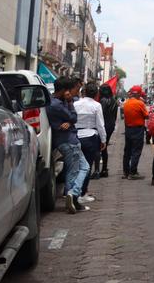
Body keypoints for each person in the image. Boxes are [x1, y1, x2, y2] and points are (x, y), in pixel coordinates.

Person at [46, 76, 90, 214]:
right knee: (74, 170)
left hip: (68, 140)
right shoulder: (57, 105)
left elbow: (71, 120)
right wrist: (70, 102)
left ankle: (73, 196)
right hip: (68, 141)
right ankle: (73, 195)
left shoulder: (58, 102)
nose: (76, 93)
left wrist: (70, 121)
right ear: (65, 90)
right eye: (74, 90)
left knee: (84, 167)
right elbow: (73, 117)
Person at [75, 82, 106, 202]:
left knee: (76, 166)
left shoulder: (76, 104)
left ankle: (73, 191)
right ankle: (82, 192)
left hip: (76, 136)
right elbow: (100, 125)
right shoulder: (97, 106)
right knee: (87, 166)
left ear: (84, 92)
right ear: (96, 94)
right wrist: (103, 140)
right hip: (90, 137)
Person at [122, 85, 149, 180]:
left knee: (127, 151)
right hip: (137, 129)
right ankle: (133, 172)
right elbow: (146, 116)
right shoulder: (140, 104)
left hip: (128, 129)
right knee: (136, 151)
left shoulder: (126, 103)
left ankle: (126, 172)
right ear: (137, 94)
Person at [98, 84, 119, 178]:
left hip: (103, 125)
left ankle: (99, 169)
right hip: (110, 125)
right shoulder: (114, 101)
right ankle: (104, 169)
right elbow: (115, 116)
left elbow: (100, 115)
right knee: (104, 147)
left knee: (100, 147)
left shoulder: (103, 101)